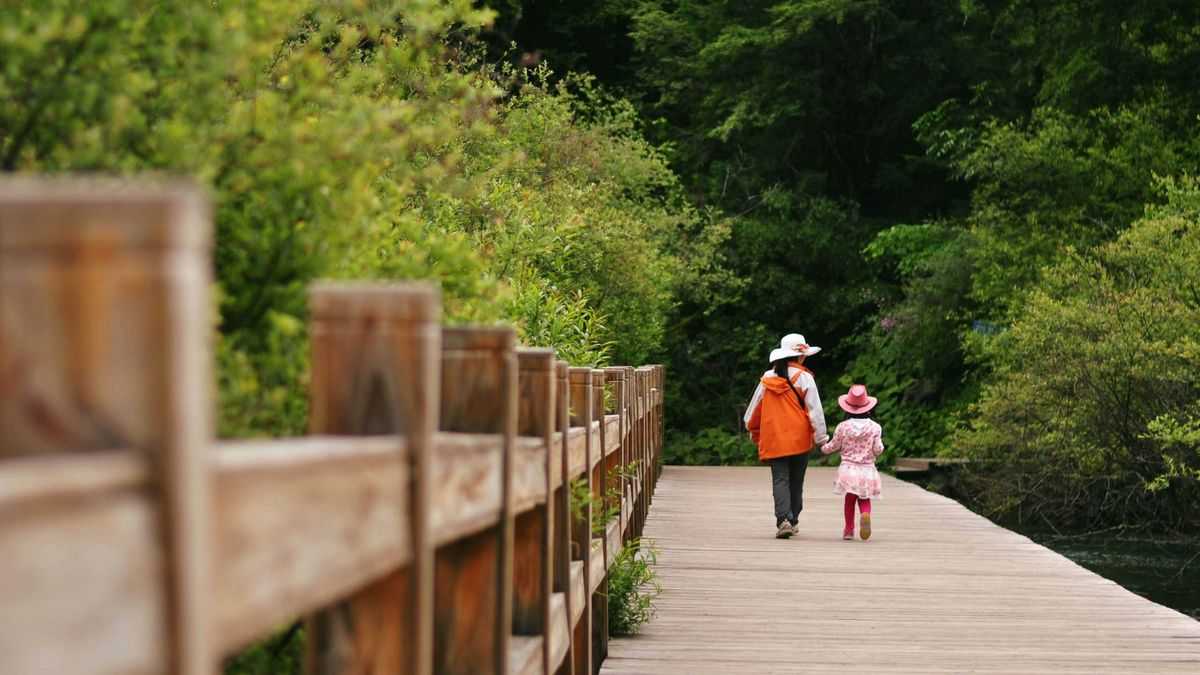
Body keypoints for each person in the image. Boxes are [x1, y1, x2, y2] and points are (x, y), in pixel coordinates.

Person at [744, 334, 828, 539]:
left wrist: (753, 429)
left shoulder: (767, 379)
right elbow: (815, 411)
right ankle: (793, 520)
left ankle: (784, 520)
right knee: (796, 480)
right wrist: (822, 438)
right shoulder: (805, 378)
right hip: (799, 439)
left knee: (780, 479)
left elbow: (753, 411)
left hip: (774, 439)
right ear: (799, 356)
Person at [821, 384, 884, 540]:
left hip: (848, 470)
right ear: (868, 408)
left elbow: (834, 445)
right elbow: (878, 449)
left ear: (847, 408)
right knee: (864, 498)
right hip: (867, 469)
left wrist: (823, 448)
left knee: (850, 499)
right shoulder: (875, 427)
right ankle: (865, 514)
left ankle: (849, 530)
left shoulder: (843, 427)